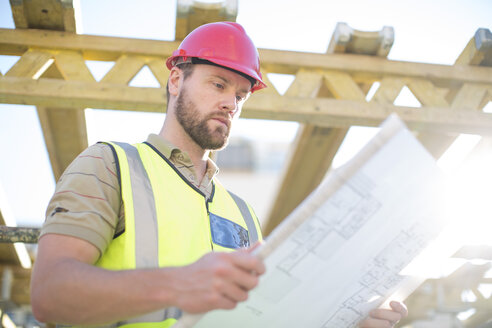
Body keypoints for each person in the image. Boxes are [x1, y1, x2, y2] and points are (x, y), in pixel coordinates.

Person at [30, 22, 408, 327]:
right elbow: (50, 294)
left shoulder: (243, 214)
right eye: (218, 84)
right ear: (176, 80)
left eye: (241, 95)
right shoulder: (111, 165)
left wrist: (347, 322)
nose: (231, 103)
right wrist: (179, 285)